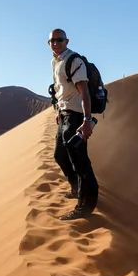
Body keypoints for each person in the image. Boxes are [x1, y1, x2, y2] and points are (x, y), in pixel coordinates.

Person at [48, 28, 99, 220]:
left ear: (67, 41)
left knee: (80, 162)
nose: (56, 43)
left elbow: (84, 92)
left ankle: (85, 206)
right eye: (53, 40)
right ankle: (76, 188)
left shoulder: (74, 61)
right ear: (48, 43)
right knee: (60, 155)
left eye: (59, 40)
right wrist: (59, 111)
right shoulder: (56, 62)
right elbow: (61, 90)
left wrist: (86, 120)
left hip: (77, 116)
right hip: (65, 115)